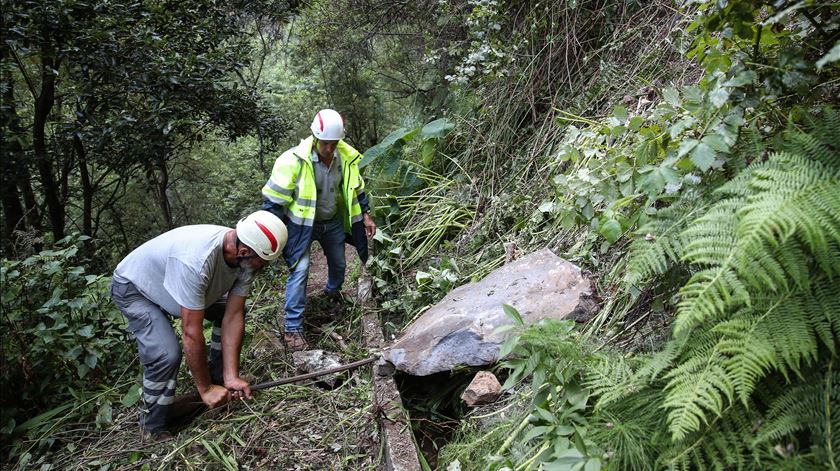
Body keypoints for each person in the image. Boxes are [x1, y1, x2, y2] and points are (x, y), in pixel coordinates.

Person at [110, 210, 287, 441]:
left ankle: (220, 379)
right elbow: (191, 333)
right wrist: (203, 389)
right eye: (261, 263)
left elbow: (233, 315)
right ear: (243, 252)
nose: (261, 268)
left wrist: (231, 376)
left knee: (227, 310)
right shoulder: (197, 261)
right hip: (136, 288)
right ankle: (152, 426)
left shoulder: (244, 257)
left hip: (173, 289)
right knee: (165, 354)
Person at [262, 109, 376, 351]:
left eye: (334, 143)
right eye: (325, 143)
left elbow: (357, 188)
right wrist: (273, 235)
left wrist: (365, 214)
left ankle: (331, 294)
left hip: (333, 222)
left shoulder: (345, 158)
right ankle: (293, 329)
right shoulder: (292, 161)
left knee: (339, 264)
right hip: (302, 226)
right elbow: (273, 202)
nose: (329, 148)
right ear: (315, 137)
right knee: (300, 270)